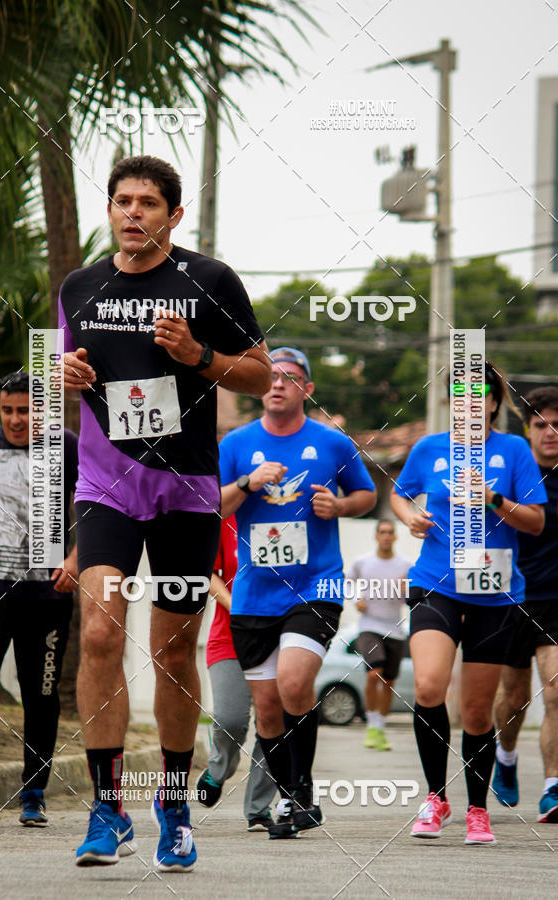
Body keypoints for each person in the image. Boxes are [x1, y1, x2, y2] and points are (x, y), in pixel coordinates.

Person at [59, 155, 270, 871]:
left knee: (174, 651)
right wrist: (67, 374)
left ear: (174, 215)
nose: (133, 212)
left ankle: (173, 806)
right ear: (110, 209)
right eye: (122, 200)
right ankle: (106, 808)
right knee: (98, 632)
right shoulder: (80, 286)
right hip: (107, 485)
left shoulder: (210, 280)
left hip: (186, 490)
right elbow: (68, 366)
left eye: (148, 202)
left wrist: (199, 354)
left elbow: (259, 373)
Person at [219, 347, 376, 839]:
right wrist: (248, 482)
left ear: (307, 389)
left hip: (316, 584)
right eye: (270, 375)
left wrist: (340, 506)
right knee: (267, 709)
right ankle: (292, 798)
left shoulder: (332, 443)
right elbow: (210, 505)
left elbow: (367, 495)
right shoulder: (236, 443)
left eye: (288, 377)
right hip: (254, 593)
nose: (277, 383)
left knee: (292, 682)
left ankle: (302, 793)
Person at [390, 360, 546, 846]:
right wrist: (410, 516)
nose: (470, 404)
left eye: (480, 395)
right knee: (429, 687)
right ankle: (435, 798)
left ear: (495, 403)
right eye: (461, 395)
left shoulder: (514, 449)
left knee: (477, 712)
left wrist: (494, 498)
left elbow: (536, 521)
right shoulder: (429, 448)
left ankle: (478, 809)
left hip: (494, 592)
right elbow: (399, 494)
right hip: (435, 583)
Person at [0, 371, 78, 827]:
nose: (15, 419)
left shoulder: (66, 446)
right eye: (7, 410)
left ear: (43, 410)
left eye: (25, 411)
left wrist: (76, 558)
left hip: (47, 594)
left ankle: (34, 792)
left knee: (40, 693)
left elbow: (92, 504)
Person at [492, 386, 558, 822]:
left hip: (557, 600)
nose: (550, 433)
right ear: (528, 429)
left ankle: (553, 787)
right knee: (514, 698)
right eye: (541, 424)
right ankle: (506, 756)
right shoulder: (512, 470)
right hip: (511, 596)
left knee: (556, 692)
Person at [196, 515, 277, 830]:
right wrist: (237, 608)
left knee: (273, 721)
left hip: (277, 635)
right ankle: (219, 769)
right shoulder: (225, 514)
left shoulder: (287, 512)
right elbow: (209, 573)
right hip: (229, 634)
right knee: (230, 720)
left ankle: (259, 807)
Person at [346, 519, 410, 751]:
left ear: (395, 537)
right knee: (375, 674)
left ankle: (379, 728)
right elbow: (347, 582)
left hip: (395, 629)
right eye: (382, 532)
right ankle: (371, 725)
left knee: (389, 682)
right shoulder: (362, 562)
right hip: (369, 626)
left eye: (390, 532)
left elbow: (412, 597)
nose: (386, 536)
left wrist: (406, 592)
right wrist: (356, 599)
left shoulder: (406, 565)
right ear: (376, 536)